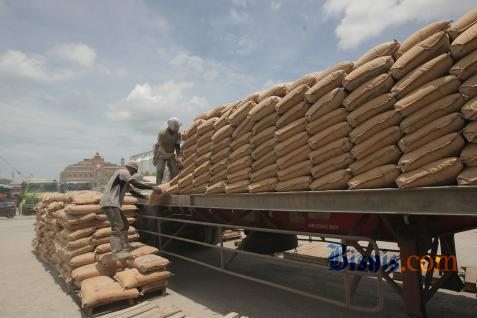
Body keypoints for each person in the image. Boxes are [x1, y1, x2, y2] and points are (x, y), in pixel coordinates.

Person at [100, 161, 162, 260]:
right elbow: (137, 184)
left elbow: (134, 192)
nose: (133, 174)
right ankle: (117, 252)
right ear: (132, 169)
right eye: (134, 172)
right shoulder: (123, 172)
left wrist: (147, 198)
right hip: (110, 203)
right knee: (118, 227)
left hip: (114, 204)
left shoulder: (124, 179)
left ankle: (125, 248)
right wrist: (152, 187)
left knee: (125, 225)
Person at [153, 117, 182, 184]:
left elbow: (177, 145)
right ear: (172, 126)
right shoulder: (162, 133)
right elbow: (159, 146)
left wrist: (178, 156)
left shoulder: (178, 134)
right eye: (177, 126)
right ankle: (158, 185)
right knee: (160, 170)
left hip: (171, 154)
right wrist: (155, 157)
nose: (178, 128)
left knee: (175, 170)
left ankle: (174, 185)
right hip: (161, 154)